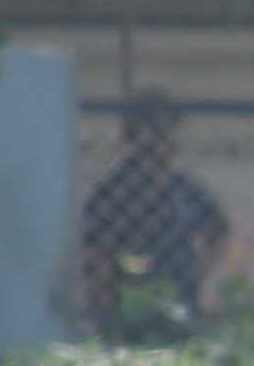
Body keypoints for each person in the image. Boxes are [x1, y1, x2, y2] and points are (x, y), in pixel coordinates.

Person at [79, 90, 233, 344]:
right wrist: (106, 319)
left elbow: (218, 233)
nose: (164, 142)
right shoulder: (113, 192)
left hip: (180, 311)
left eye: (167, 132)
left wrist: (197, 278)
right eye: (154, 132)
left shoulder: (183, 188)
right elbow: (96, 257)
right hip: (130, 313)